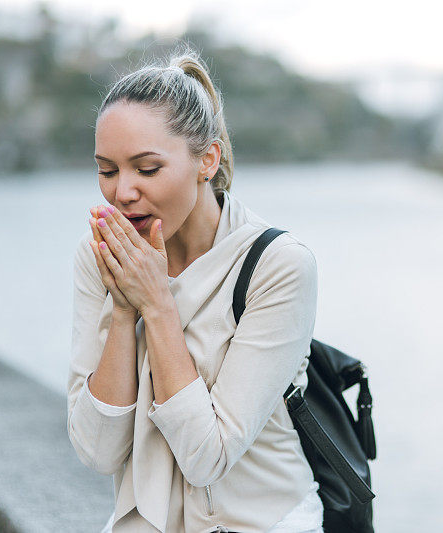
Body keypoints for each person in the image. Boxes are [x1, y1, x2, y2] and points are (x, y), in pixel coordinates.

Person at [66, 43, 324, 532]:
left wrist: (156, 304)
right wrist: (123, 310)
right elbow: (97, 451)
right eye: (106, 170)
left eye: (146, 169)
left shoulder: (279, 267)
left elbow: (207, 458)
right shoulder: (99, 253)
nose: (122, 192)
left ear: (207, 160)